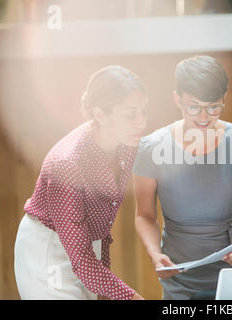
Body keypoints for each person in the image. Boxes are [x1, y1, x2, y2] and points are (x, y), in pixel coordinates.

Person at [132, 55, 232, 300]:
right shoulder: (151, 147)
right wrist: (154, 253)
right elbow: (145, 215)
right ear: (177, 99)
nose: (204, 117)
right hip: (180, 276)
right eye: (193, 107)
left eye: (213, 106)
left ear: (224, 99)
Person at [14, 65, 147, 300]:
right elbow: (83, 262)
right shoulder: (66, 164)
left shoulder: (128, 141)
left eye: (142, 111)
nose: (141, 123)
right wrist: (132, 298)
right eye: (130, 114)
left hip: (88, 247)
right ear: (100, 115)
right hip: (49, 252)